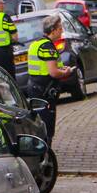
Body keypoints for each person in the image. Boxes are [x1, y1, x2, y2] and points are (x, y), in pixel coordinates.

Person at [26, 14, 75, 142]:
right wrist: (66, 72)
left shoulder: (35, 44)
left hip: (34, 88)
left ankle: (41, 150)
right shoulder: (48, 47)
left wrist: (61, 68)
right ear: (53, 30)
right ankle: (46, 152)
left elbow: (43, 66)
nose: (62, 31)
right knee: (47, 127)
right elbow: (53, 72)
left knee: (38, 125)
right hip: (45, 91)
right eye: (60, 28)